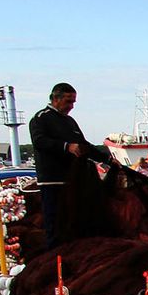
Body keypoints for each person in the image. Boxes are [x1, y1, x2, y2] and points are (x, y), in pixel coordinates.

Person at [28, 83, 110, 248]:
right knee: (55, 222)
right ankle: (53, 258)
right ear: (55, 99)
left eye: (73, 102)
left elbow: (83, 145)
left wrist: (107, 159)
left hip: (73, 181)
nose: (71, 106)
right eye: (68, 101)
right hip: (52, 181)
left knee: (74, 222)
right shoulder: (41, 118)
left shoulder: (70, 122)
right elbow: (39, 141)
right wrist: (66, 146)